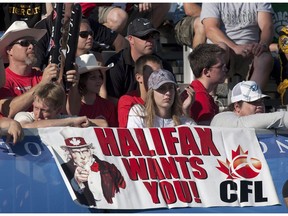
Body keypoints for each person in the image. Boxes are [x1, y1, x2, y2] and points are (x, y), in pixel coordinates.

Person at [0, 21, 78, 118]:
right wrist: (42, 84)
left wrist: (74, 86)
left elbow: (67, 111)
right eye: (24, 43)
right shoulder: (3, 79)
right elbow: (8, 111)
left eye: (33, 43)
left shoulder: (43, 76)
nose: (31, 46)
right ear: (9, 50)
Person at [200, 3, 274, 90]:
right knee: (220, 49)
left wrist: (262, 45)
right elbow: (210, 29)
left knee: (264, 58)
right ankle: (210, 96)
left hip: (251, 51)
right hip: (225, 51)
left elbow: (267, 26)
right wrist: (234, 47)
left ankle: (250, 99)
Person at [33, 3, 128, 70]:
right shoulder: (43, 28)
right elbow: (35, 68)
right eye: (83, 35)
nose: (89, 37)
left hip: (86, 77)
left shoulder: (85, 24)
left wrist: (116, 71)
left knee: (97, 59)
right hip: (52, 77)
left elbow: (121, 42)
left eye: (91, 34)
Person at [105, 17, 172, 103]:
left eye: (153, 36)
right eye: (144, 36)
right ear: (130, 39)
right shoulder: (116, 65)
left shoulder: (163, 65)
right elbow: (112, 101)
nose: (150, 40)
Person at [60, 129, 126, 207]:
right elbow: (63, 195)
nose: (82, 156)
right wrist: (76, 181)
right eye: (76, 152)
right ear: (69, 153)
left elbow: (124, 189)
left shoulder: (109, 167)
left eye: (84, 151)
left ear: (90, 150)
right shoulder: (63, 168)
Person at [14, 82, 105, 128]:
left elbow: (103, 123)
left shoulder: (62, 119)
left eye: (45, 110)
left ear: (58, 110)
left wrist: (87, 123)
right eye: (36, 108)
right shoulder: (24, 116)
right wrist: (70, 122)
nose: (38, 114)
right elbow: (26, 127)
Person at [127, 69, 196, 128]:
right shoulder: (139, 112)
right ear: (151, 93)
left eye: (171, 88)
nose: (168, 93)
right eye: (162, 88)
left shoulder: (186, 121)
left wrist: (185, 110)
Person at [180, 43, 228, 125]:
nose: (225, 69)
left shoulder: (197, 91)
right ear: (206, 72)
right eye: (220, 66)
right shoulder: (201, 97)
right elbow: (206, 133)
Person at [210, 80, 288, 129]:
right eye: (253, 102)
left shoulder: (262, 123)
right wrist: (283, 117)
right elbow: (241, 124)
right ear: (237, 107)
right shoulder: (221, 118)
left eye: (261, 101)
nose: (260, 105)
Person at [67, 53, 117, 127]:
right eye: (93, 77)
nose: (99, 81)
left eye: (100, 76)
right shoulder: (70, 104)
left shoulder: (108, 106)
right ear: (81, 80)